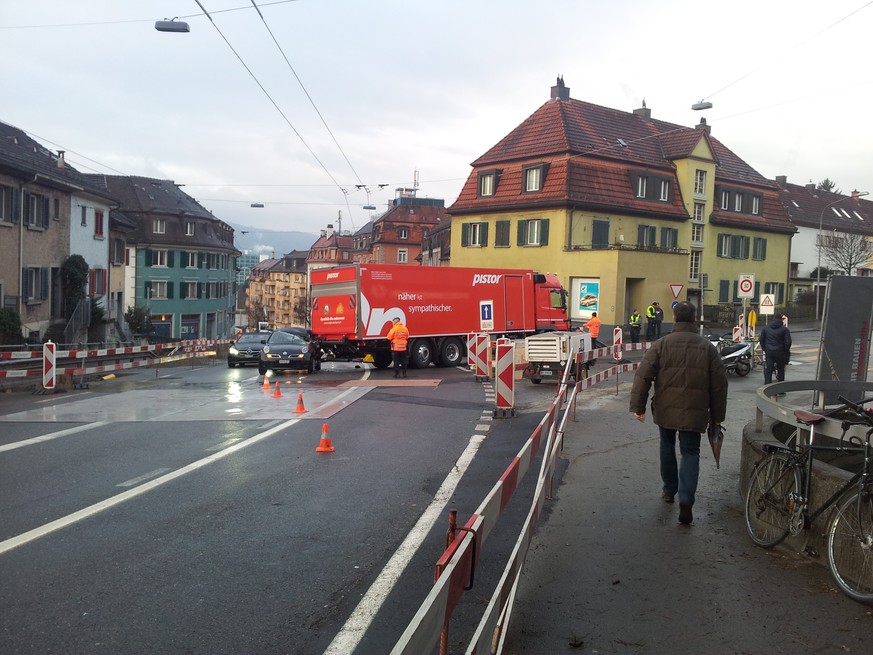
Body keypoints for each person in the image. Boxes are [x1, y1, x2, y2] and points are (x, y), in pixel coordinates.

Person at [629, 301, 728, 525]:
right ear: (694, 319)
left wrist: (638, 407)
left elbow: (643, 376)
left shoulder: (661, 344)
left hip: (665, 409)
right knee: (690, 452)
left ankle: (669, 490)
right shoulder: (707, 348)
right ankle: (686, 497)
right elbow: (719, 385)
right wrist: (717, 416)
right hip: (696, 411)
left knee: (667, 446)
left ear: (674, 318)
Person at [759, 316, 792, 385]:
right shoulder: (784, 329)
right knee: (781, 370)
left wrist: (765, 349)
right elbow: (788, 342)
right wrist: (785, 350)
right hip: (780, 352)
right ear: (781, 320)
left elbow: (761, 340)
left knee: (768, 370)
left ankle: (767, 387)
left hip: (769, 352)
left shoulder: (766, 328)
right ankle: (780, 389)